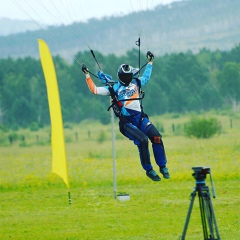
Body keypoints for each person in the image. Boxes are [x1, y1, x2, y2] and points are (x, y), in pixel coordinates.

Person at [81, 51, 170, 181]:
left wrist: (150, 62)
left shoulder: (136, 83)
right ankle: (149, 169)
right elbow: (94, 90)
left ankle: (162, 166)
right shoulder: (113, 89)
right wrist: (87, 74)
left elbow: (146, 77)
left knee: (156, 137)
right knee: (143, 140)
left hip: (140, 119)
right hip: (127, 124)